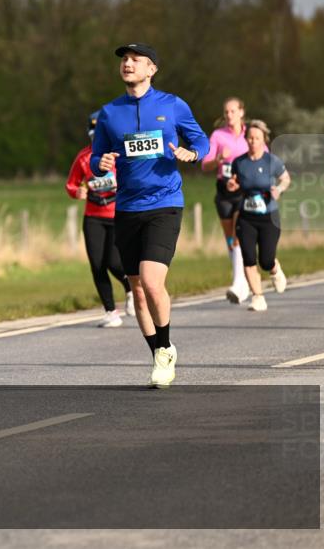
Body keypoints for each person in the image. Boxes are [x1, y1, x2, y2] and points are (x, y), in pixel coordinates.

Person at [91, 43, 209, 388]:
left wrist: (191, 154)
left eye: (135, 60)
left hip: (165, 203)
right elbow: (96, 157)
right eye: (124, 60)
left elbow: (201, 141)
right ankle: (160, 352)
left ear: (151, 69)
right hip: (127, 208)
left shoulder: (172, 105)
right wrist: (102, 162)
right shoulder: (109, 113)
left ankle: (165, 347)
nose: (128, 64)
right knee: (138, 291)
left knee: (152, 282)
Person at [66, 110, 133, 328]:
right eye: (94, 133)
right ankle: (111, 312)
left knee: (113, 262)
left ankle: (131, 287)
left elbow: (133, 177)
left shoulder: (119, 154)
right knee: (97, 264)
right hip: (93, 217)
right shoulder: (84, 157)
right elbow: (71, 184)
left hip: (117, 215)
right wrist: (77, 192)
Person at [225, 120, 290, 311]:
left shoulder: (272, 161)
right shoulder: (239, 162)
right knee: (248, 257)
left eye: (257, 138)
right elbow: (234, 181)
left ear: (264, 140)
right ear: (246, 139)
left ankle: (274, 269)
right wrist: (232, 185)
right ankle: (258, 297)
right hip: (246, 217)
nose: (253, 141)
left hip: (269, 216)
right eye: (250, 138)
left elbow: (286, 179)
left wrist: (279, 189)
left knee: (266, 260)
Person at [201, 97, 250, 303]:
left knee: (238, 235)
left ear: (241, 112)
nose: (229, 115)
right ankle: (242, 281)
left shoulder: (251, 135)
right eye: (226, 112)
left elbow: (264, 157)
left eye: (233, 111)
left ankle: (238, 283)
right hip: (224, 191)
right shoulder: (218, 135)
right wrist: (219, 159)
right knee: (230, 240)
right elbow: (205, 165)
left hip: (244, 191)